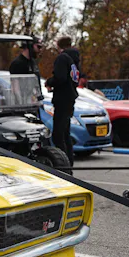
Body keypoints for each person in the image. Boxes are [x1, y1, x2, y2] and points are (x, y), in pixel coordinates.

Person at [45, 36, 80, 166]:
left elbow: (60, 77)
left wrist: (49, 82)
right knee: (65, 133)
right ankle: (69, 163)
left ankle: (63, 165)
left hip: (62, 99)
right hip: (70, 98)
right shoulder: (74, 60)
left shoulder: (62, 58)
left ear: (59, 46)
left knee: (58, 135)